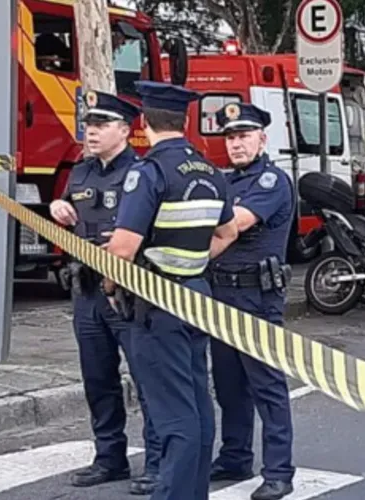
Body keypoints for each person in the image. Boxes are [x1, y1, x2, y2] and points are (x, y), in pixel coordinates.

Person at [102, 81, 239, 500]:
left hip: (158, 304)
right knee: (197, 406)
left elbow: (122, 249)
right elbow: (228, 231)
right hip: (197, 297)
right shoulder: (210, 171)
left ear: (144, 122)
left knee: (172, 415)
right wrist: (192, 262)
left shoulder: (149, 172)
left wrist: (110, 286)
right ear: (185, 121)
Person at [48, 90, 162, 495]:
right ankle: (109, 457)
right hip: (87, 291)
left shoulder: (143, 172)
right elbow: (68, 210)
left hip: (128, 291)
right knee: (98, 379)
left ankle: (157, 461)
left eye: (100, 125)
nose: (91, 132)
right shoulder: (81, 172)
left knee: (147, 380)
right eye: (89, 125)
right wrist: (57, 210)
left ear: (125, 130)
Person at [206, 103, 296, 500]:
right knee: (228, 385)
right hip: (221, 292)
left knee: (266, 387)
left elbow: (234, 224)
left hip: (256, 296)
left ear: (262, 139)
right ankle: (235, 456)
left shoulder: (270, 182)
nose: (236, 143)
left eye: (243, 135)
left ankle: (278, 471)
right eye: (230, 137)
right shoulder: (227, 182)